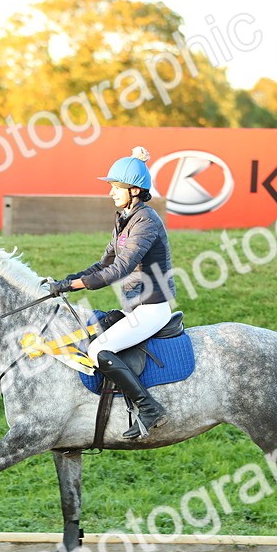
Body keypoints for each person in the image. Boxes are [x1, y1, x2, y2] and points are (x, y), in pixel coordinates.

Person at [46, 146, 176, 439]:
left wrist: (74, 287)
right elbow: (103, 262)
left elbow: (120, 268)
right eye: (112, 187)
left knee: (97, 350)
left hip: (152, 307)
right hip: (134, 307)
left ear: (135, 190)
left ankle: (149, 409)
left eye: (117, 187)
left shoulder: (147, 221)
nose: (111, 193)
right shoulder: (124, 218)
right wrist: (68, 279)